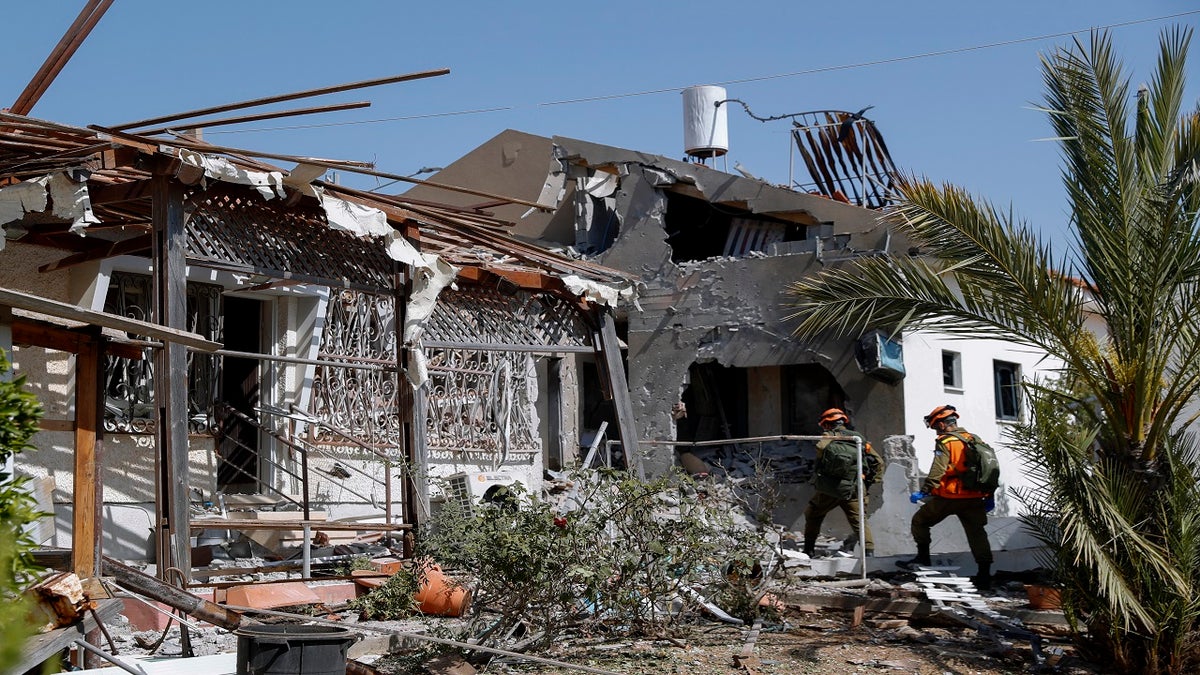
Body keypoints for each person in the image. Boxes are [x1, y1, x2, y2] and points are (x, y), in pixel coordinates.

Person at [897, 404, 996, 589]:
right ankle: (984, 576)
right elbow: (990, 468)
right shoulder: (974, 439)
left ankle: (923, 558)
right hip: (975, 497)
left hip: (950, 496)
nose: (935, 431)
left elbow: (938, 469)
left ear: (942, 424)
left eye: (935, 427)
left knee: (920, 521)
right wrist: (990, 495)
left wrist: (925, 491)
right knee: (977, 534)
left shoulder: (946, 441)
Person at [803, 408, 884, 558]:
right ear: (843, 422)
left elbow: (820, 449)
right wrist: (868, 482)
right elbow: (878, 462)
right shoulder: (859, 438)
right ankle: (869, 555)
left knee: (813, 513)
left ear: (827, 424)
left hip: (830, 489)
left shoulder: (829, 436)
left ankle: (808, 550)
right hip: (855, 487)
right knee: (860, 521)